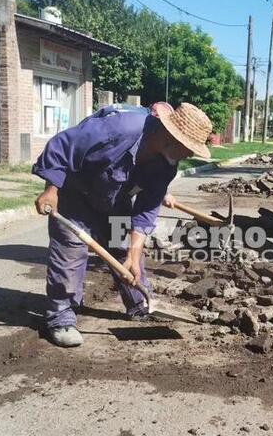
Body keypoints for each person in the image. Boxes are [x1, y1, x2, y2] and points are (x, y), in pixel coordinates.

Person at [32, 103, 213, 347]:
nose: (189, 155)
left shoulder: (166, 165)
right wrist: (51, 189)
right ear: (169, 136)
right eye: (188, 148)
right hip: (74, 194)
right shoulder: (120, 128)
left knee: (124, 248)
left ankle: (140, 303)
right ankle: (62, 317)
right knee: (71, 251)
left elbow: (147, 208)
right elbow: (63, 146)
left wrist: (134, 253)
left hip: (114, 201)